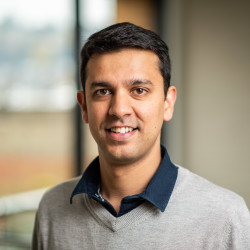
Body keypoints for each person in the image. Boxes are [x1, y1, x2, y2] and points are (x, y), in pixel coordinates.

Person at [32, 22, 250, 250]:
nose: (119, 109)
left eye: (139, 90)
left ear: (168, 103)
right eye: (103, 91)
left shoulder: (225, 218)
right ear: (84, 106)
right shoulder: (53, 209)